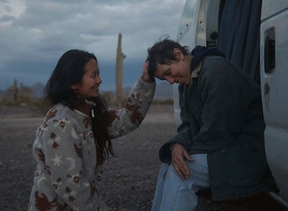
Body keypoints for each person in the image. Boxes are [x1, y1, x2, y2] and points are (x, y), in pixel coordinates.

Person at [146, 38, 275, 211]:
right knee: (169, 162)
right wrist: (177, 144)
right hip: (223, 148)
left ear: (178, 54)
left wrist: (183, 152)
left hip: (247, 153)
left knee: (179, 171)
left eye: (168, 72)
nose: (170, 81)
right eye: (165, 78)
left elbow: (219, 130)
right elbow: (187, 125)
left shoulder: (216, 71)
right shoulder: (188, 81)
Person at [28, 49, 155, 211]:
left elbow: (127, 120)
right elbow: (73, 188)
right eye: (93, 75)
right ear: (73, 83)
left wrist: (146, 80)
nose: (99, 80)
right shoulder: (60, 124)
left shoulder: (88, 115)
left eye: (98, 74)